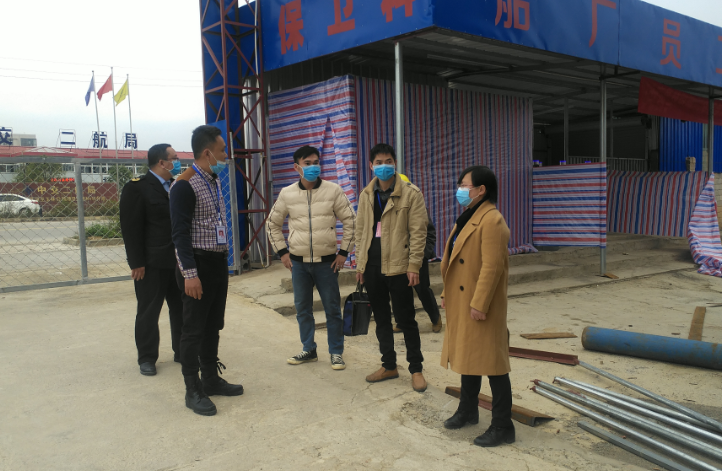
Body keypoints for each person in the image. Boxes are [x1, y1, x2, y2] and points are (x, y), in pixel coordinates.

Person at [170, 125, 244, 417]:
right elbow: (179, 234)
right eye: (222, 150)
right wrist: (190, 275)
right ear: (207, 152)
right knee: (193, 329)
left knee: (213, 325)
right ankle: (192, 389)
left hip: (216, 263)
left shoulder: (212, 179)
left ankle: (210, 378)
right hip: (197, 266)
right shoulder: (184, 185)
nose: (225, 155)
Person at [439, 165, 515, 447]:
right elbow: (454, 262)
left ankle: (503, 425)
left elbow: (492, 268)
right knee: (468, 357)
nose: (460, 189)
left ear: (481, 190)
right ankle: (468, 410)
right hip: (463, 300)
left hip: (481, 304)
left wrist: (480, 304)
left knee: (494, 364)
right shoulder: (468, 216)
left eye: (464, 185)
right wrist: (446, 294)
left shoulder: (492, 220)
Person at [266, 145, 356, 370]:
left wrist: (344, 252)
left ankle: (336, 352)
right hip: (298, 263)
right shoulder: (287, 194)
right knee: (303, 309)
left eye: (316, 162)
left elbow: (351, 221)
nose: (313, 167)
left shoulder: (333, 191)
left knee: (332, 309)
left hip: (327, 263)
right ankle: (309, 349)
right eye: (307, 163)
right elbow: (272, 224)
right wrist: (282, 252)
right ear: (297, 167)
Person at [355, 143, 428, 392]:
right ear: (371, 165)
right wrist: (360, 265)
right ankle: (389, 365)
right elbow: (361, 231)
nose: (383, 166)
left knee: (406, 320)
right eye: (378, 162)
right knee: (381, 319)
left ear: (395, 163)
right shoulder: (366, 195)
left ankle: (416, 369)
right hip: (372, 267)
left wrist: (414, 266)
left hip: (400, 268)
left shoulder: (411, 194)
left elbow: (418, 233)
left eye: (388, 161)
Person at [119, 143, 184, 377]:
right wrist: (136, 262)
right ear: (161, 162)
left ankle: (182, 351)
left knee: (181, 309)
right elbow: (130, 228)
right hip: (151, 263)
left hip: (178, 262)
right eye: (174, 158)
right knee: (148, 311)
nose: (177, 162)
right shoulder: (137, 188)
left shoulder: (177, 186)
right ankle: (147, 357)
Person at [393, 174, 442, 334]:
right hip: (397, 257)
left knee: (422, 290)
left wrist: (424, 254)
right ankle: (402, 321)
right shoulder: (390, 208)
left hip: (417, 257)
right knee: (398, 292)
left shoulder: (418, 207)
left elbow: (430, 234)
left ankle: (435, 318)